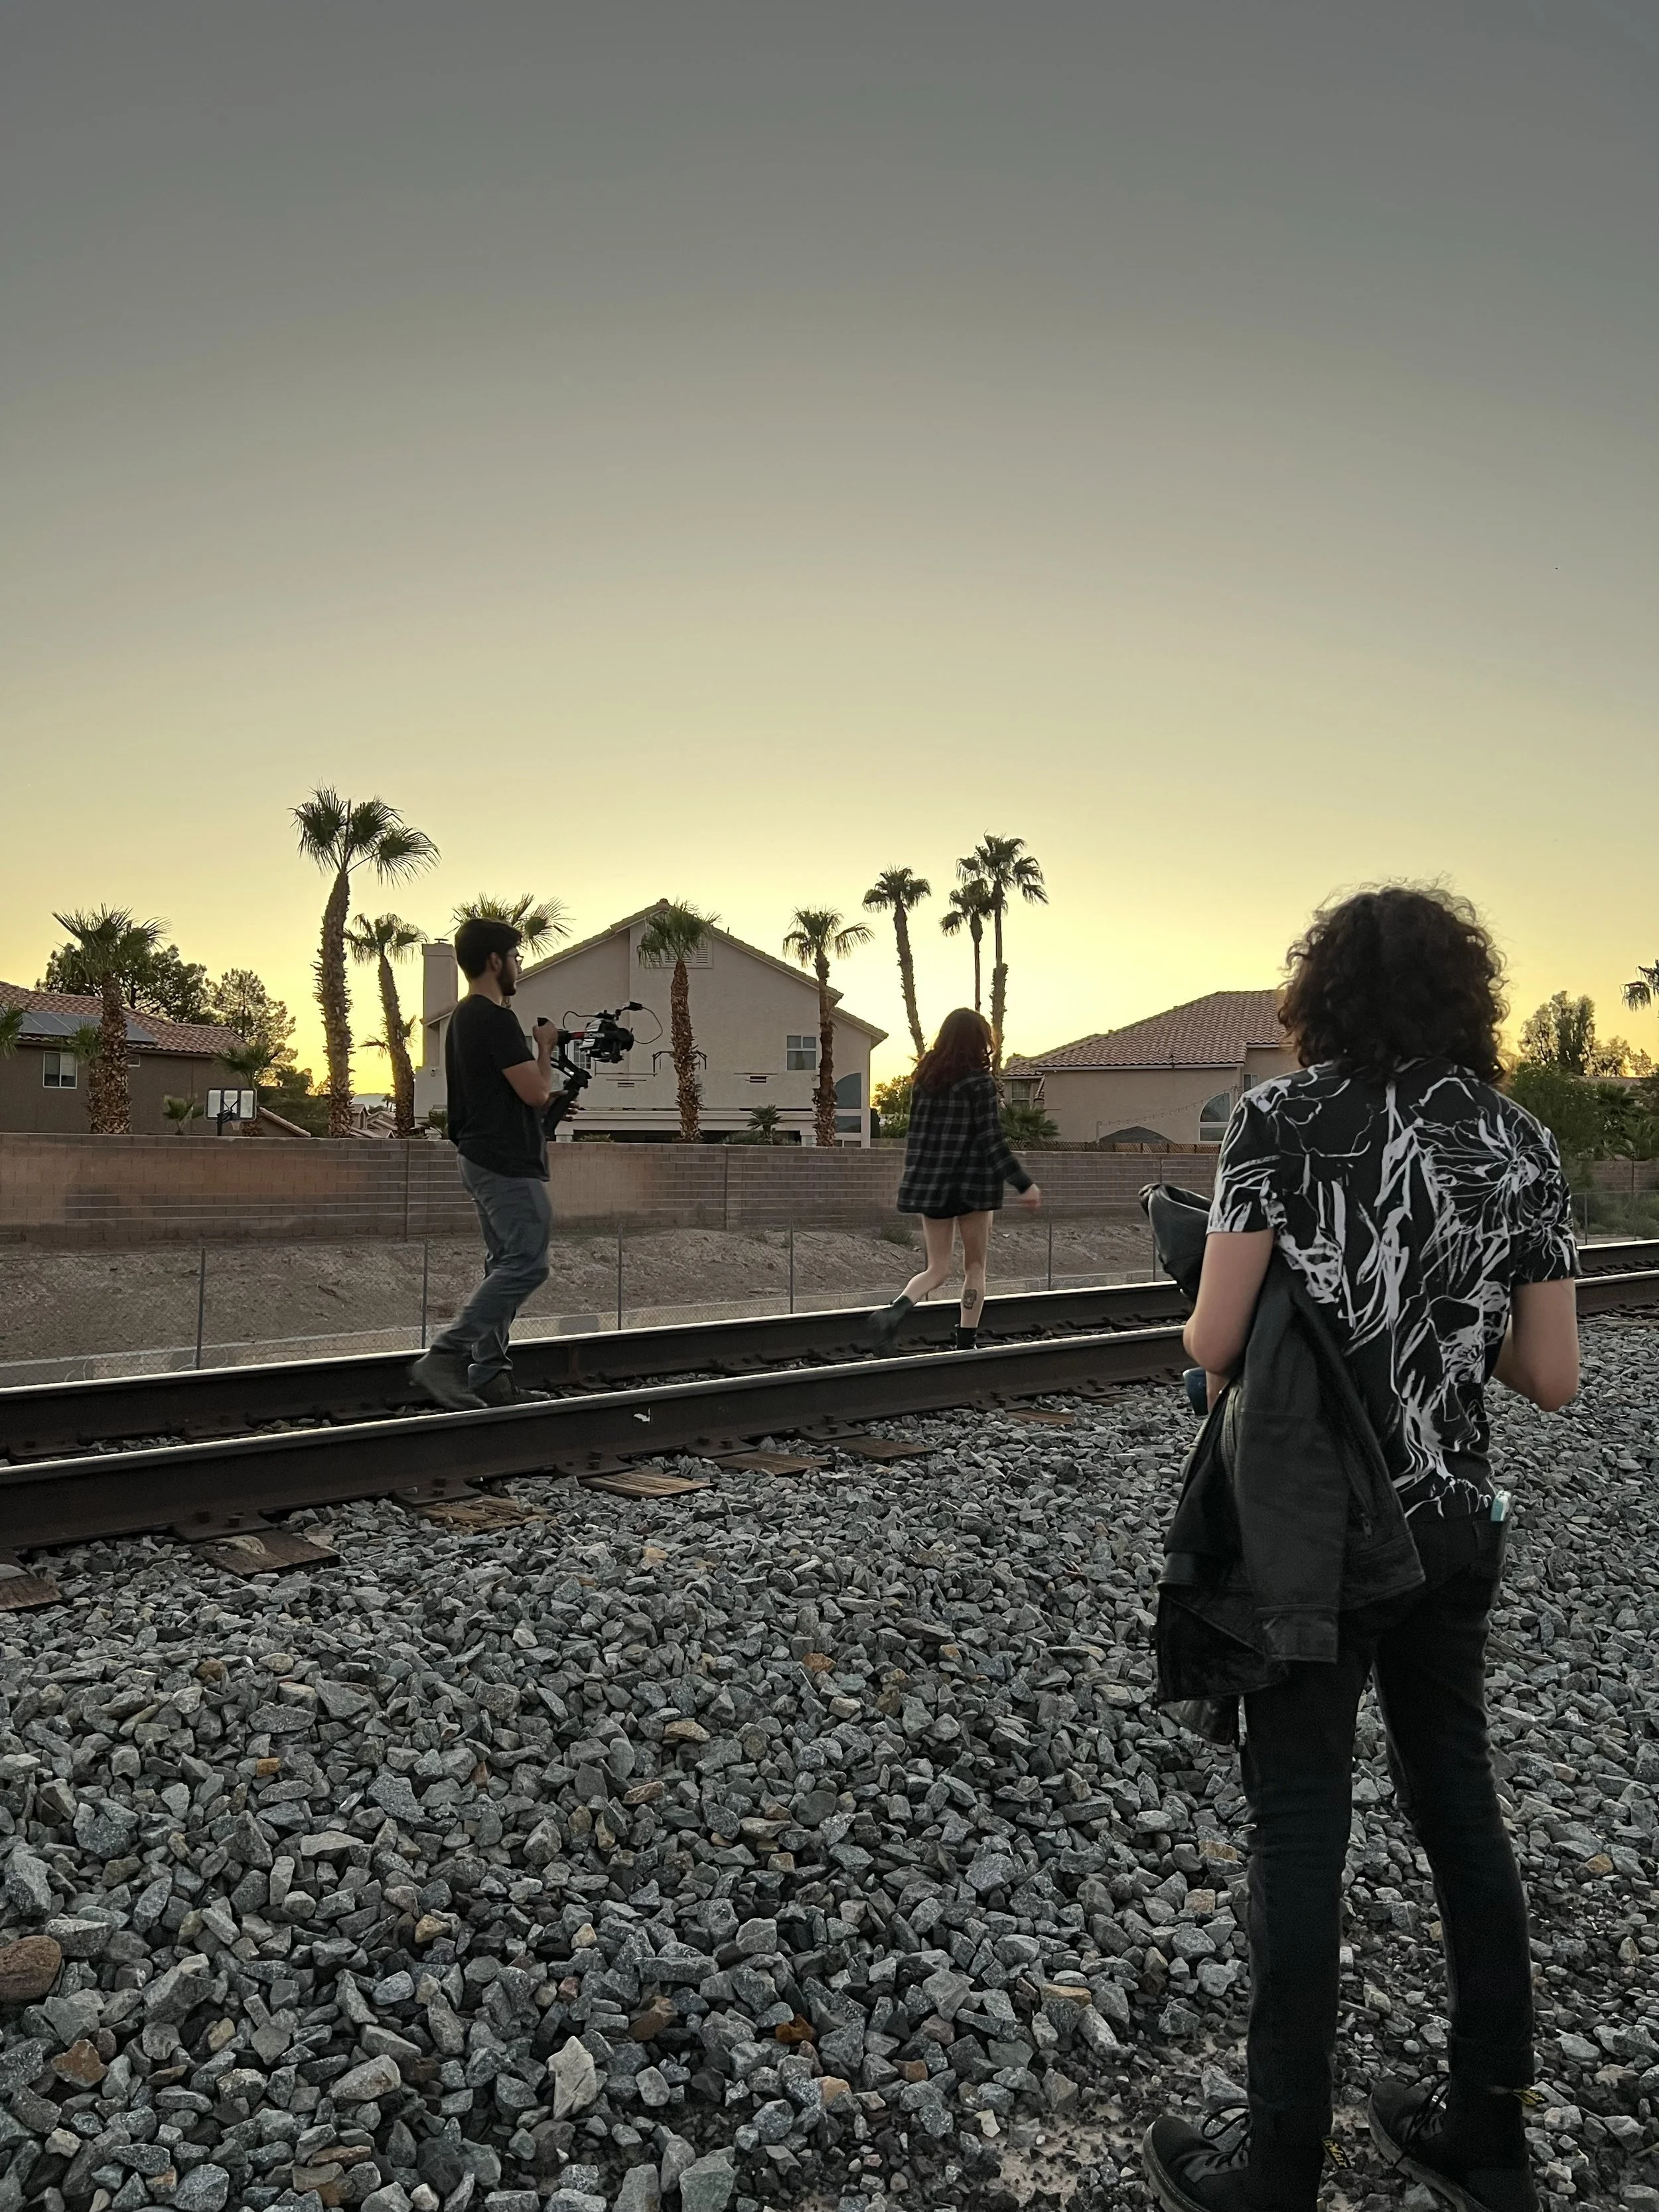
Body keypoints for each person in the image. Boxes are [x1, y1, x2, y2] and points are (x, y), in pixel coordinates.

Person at [1141, 886, 1579, 2212]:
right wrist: (1447, 1312)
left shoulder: (1278, 1119)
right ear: (1466, 996)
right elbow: (1549, 1373)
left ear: (1317, 991)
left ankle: (1276, 2168)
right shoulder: (1517, 1140)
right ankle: (1485, 2135)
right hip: (1446, 1527)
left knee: (1296, 1826)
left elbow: (1213, 1348)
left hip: (1307, 1528)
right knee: (1458, 1807)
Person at [409, 917, 563, 1410]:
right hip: (504, 1161)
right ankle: (446, 1355)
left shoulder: (464, 1018)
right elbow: (538, 1092)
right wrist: (544, 1049)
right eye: (515, 957)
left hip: (482, 1155)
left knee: (504, 1262)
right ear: (495, 961)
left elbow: (509, 1095)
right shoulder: (492, 1018)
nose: (518, 966)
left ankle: (491, 1373)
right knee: (527, 1264)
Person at [867, 1007, 1041, 1353]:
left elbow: (917, 1139)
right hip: (973, 1186)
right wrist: (1024, 1183)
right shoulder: (979, 1084)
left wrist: (917, 1181)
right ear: (980, 1041)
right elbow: (992, 1141)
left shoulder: (925, 1083)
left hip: (932, 1186)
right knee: (974, 1267)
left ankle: (893, 1313)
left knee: (937, 1268)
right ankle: (966, 1342)